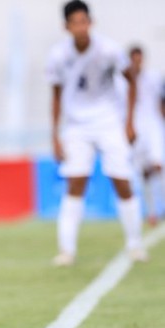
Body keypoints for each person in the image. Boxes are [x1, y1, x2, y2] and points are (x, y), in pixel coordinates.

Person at [46, 0, 146, 266]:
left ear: (91, 22)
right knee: (75, 183)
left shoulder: (109, 49)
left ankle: (135, 245)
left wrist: (129, 122)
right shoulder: (58, 55)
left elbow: (131, 79)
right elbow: (55, 95)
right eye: (75, 22)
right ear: (66, 26)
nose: (81, 27)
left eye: (84, 21)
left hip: (110, 122)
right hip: (77, 126)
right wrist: (55, 134)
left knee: (122, 181)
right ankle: (67, 250)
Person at [126, 46, 165, 225]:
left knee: (159, 165)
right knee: (144, 173)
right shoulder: (123, 81)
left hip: (154, 126)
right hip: (136, 128)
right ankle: (152, 212)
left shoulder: (155, 77)